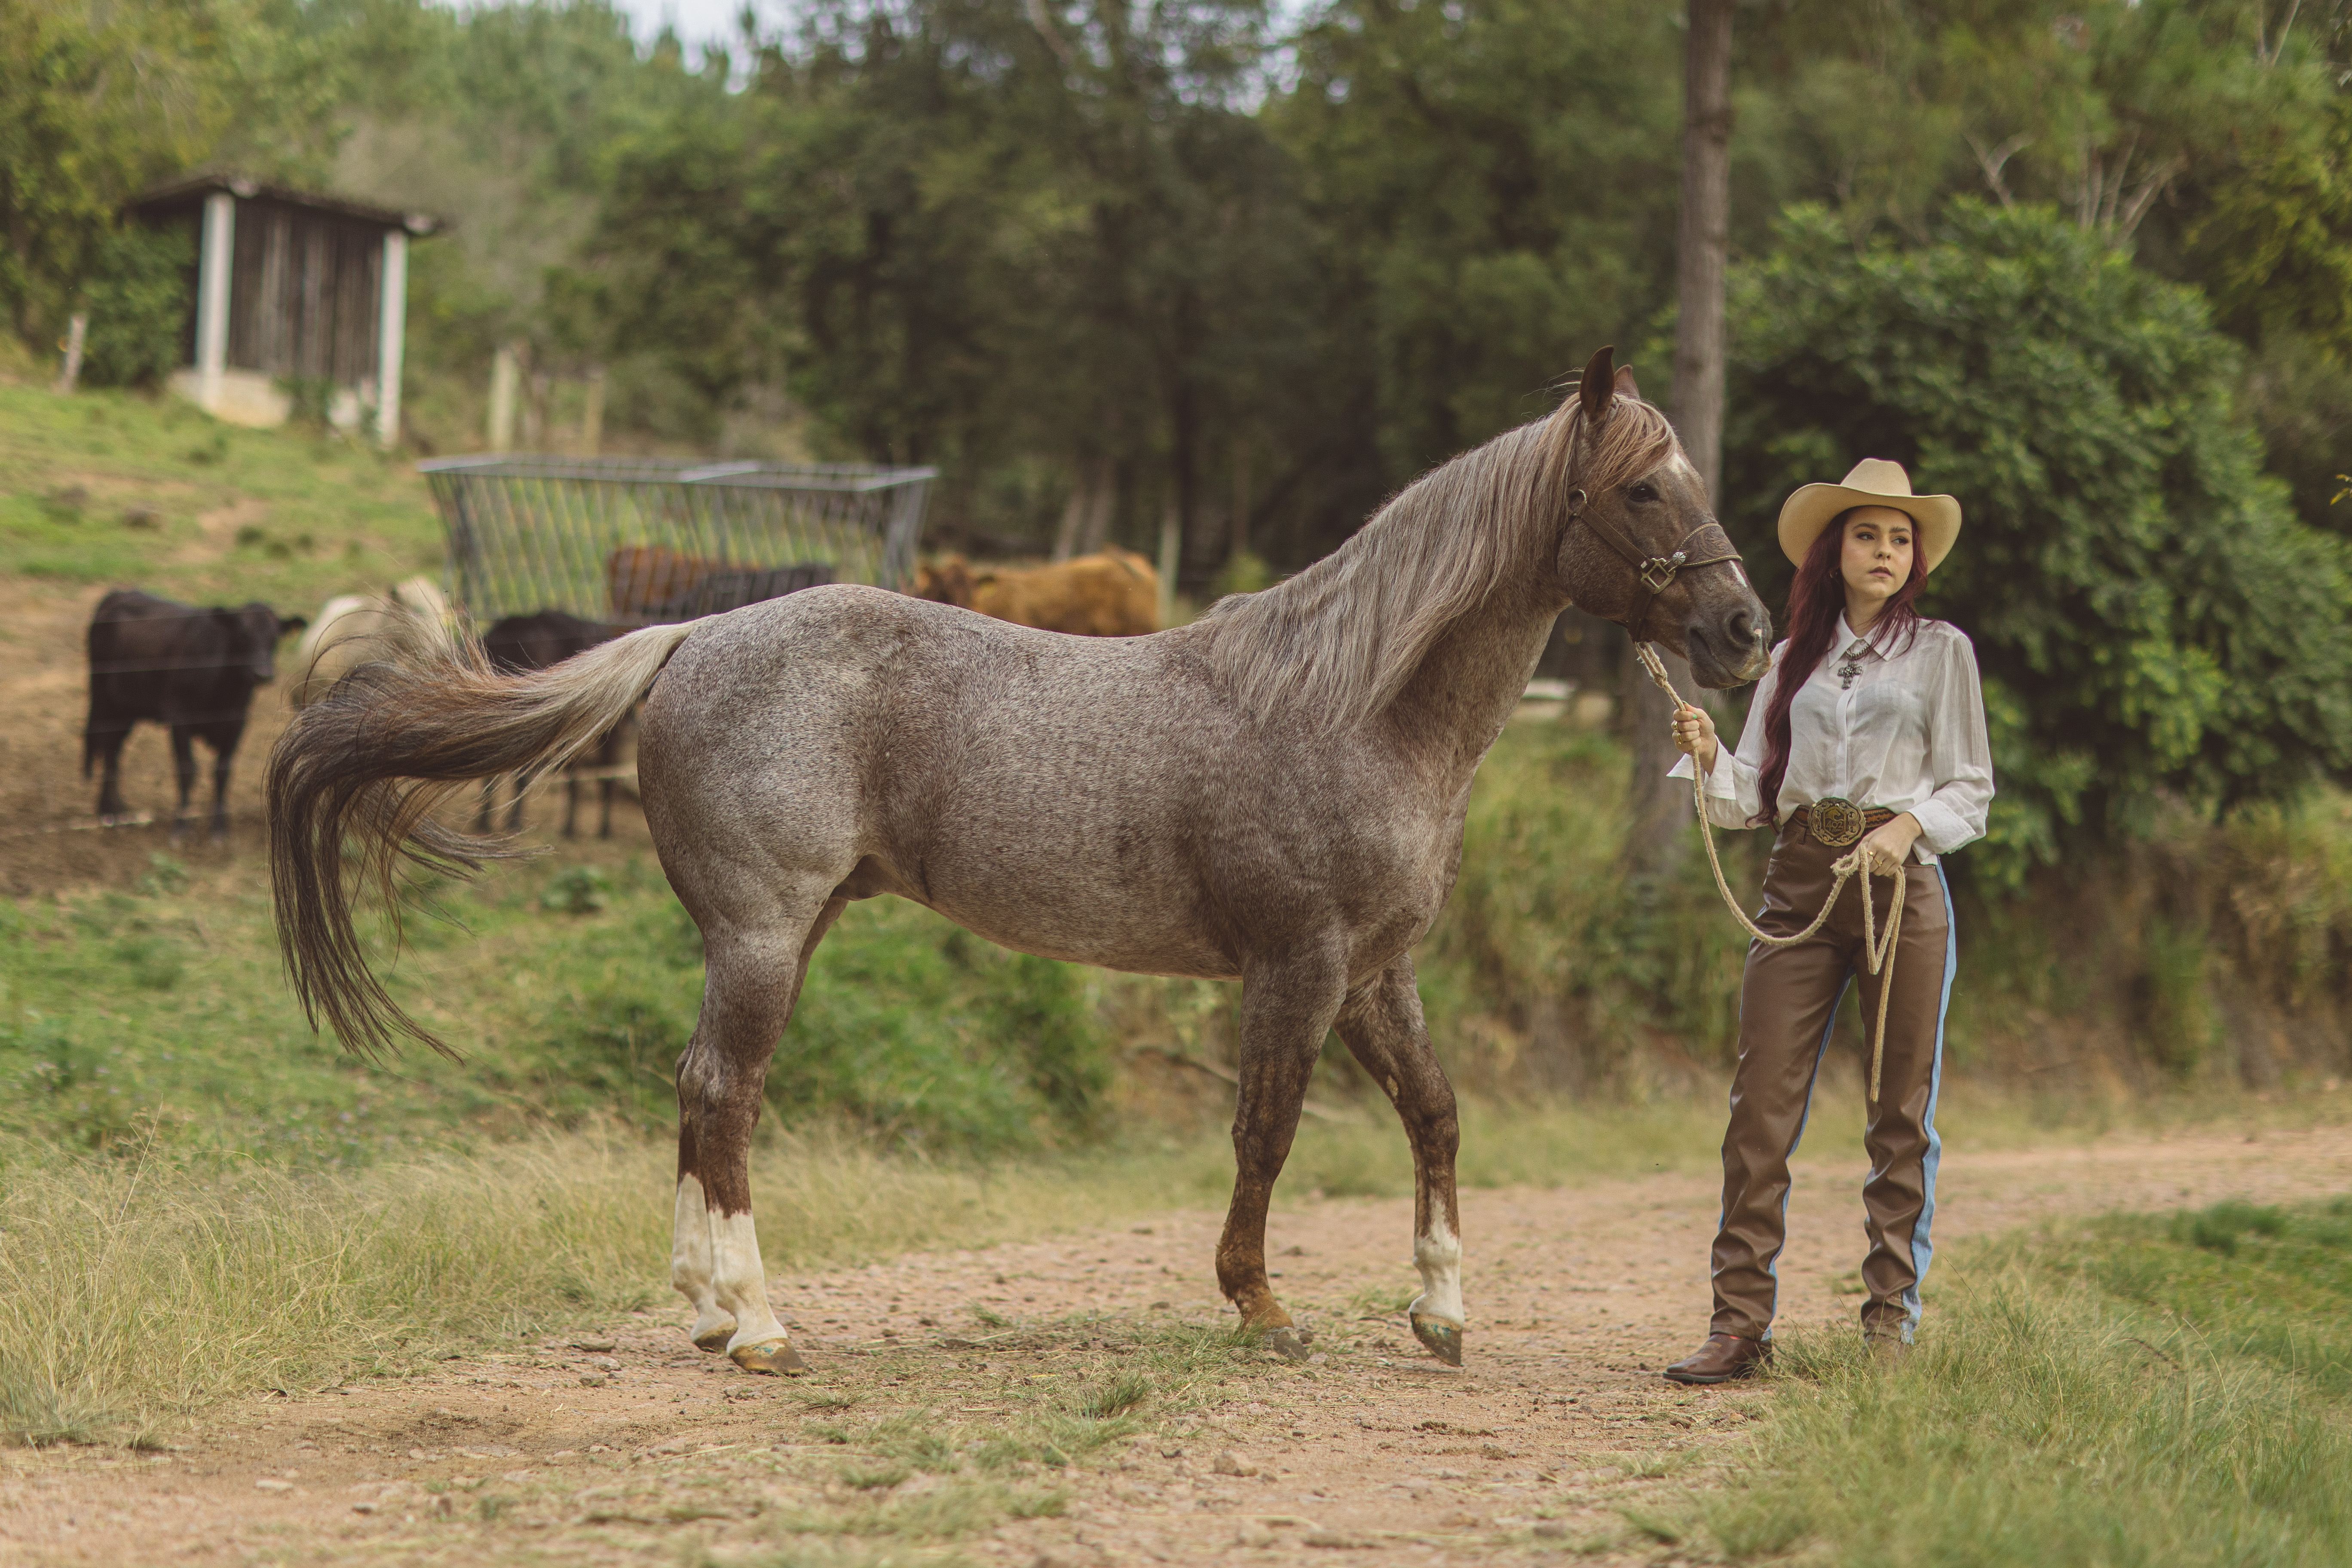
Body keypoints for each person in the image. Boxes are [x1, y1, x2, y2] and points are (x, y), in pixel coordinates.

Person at [1659, 458, 1994, 1383]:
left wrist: (1907, 826)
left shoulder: (1942, 652)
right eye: (1866, 535)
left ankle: (1889, 1321)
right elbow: (1751, 798)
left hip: (1901, 890)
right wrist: (1708, 752)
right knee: (1759, 1107)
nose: (1884, 551)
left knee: (1899, 1113)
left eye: (1899, 538)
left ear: (1912, 556)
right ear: (1834, 550)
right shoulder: (1789, 661)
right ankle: (1739, 1326)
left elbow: (1971, 785)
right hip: (1802, 880)